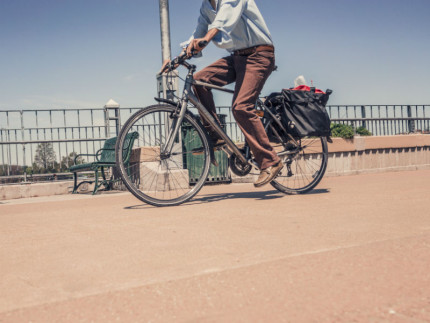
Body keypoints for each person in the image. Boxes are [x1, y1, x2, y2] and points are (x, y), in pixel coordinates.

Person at [170, 0, 283, 187]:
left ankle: (270, 161)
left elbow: (223, 20)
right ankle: (215, 135)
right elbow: (197, 34)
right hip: (237, 57)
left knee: (241, 107)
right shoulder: (206, 7)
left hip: (259, 55)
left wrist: (206, 39)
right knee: (200, 80)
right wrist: (178, 57)